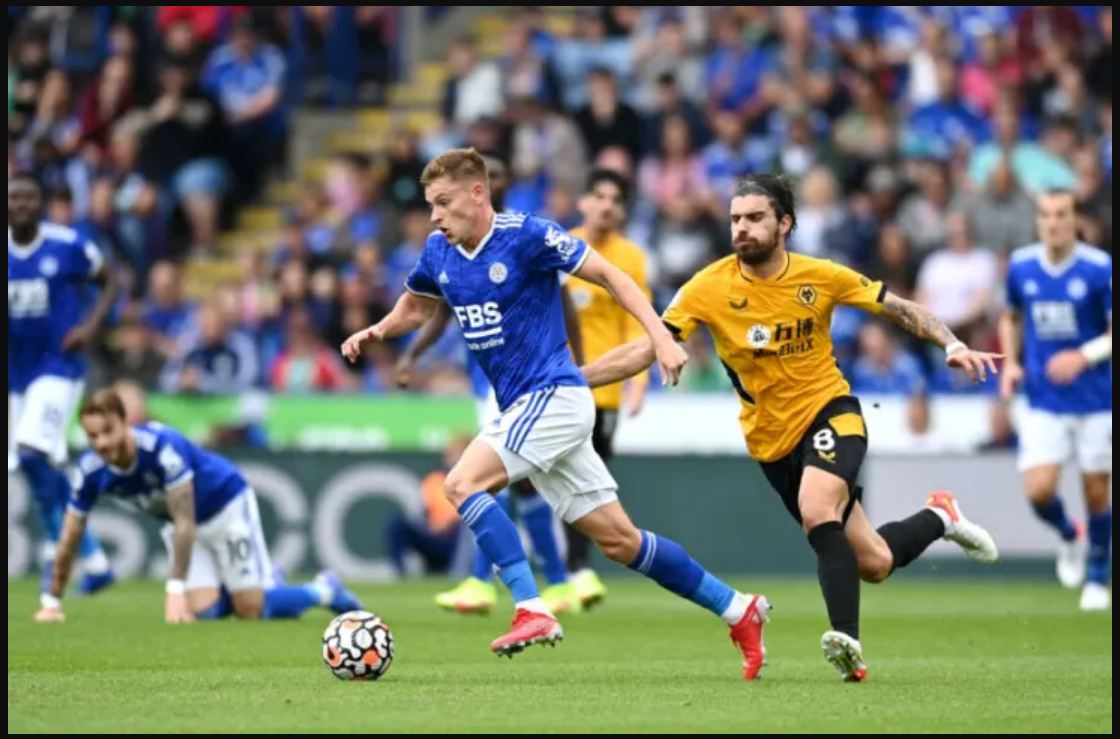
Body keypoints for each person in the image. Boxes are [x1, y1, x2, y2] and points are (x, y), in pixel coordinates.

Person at [343, 148, 770, 679]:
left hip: (554, 395)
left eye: (443, 203)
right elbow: (416, 305)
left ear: (478, 193)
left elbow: (613, 277)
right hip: (529, 405)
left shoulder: (528, 236)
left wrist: (660, 337)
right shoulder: (438, 251)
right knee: (620, 541)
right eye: (431, 205)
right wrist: (378, 331)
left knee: (462, 483)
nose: (435, 216)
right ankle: (737, 608)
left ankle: (531, 607)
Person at [581, 174, 1000, 681]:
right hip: (771, 443)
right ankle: (940, 516)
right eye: (736, 218)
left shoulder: (819, 276)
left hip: (831, 411)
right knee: (875, 562)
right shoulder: (708, 287)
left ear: (785, 224)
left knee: (817, 507)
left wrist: (952, 344)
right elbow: (648, 346)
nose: (742, 228)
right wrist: (575, 380)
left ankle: (847, 642)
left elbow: (896, 306)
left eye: (755, 218)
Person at [33, 389, 362, 624]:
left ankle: (323, 590)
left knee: (250, 611)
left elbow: (184, 520)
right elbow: (70, 536)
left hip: (225, 507)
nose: (102, 443)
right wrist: (51, 602)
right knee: (206, 615)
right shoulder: (91, 472)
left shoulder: (163, 448)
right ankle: (264, 582)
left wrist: (174, 589)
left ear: (125, 422)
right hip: (184, 530)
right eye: (93, 436)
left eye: (108, 431)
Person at [999, 190, 1112, 611]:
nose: (1053, 222)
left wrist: (1083, 356)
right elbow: (1010, 316)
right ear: (1038, 221)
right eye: (1046, 215)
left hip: (1097, 399)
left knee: (1097, 491)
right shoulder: (1022, 265)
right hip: (1044, 398)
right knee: (1039, 490)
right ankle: (1069, 534)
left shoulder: (1099, 268)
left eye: (1061, 214)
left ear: (1074, 219)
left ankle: (1099, 575)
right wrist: (1011, 364)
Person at [9, 173, 117, 597]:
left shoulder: (67, 245)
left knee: (31, 450)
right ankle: (94, 561)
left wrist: (90, 326)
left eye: (28, 197)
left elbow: (111, 280)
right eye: (13, 197)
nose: (20, 204)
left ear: (39, 204)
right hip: (14, 376)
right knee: (39, 468)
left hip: (58, 367)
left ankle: (60, 555)